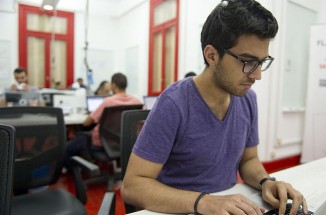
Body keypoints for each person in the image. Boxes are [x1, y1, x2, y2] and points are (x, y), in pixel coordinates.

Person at [121, 1, 308, 215]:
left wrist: (266, 182)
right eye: (248, 61)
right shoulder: (174, 103)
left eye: (262, 62)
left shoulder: (247, 99)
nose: (257, 75)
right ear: (212, 55)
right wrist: (205, 202)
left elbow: (249, 160)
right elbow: (133, 187)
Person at [63, 73, 141, 170]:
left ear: (114, 85)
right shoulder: (136, 101)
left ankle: (75, 175)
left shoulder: (108, 102)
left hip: (101, 144)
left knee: (66, 147)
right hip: (125, 143)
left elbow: (86, 123)